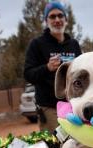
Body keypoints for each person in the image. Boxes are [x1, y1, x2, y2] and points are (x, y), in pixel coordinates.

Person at [24, 1, 82, 132]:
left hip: (72, 105)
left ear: (66, 20)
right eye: (52, 16)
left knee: (77, 143)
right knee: (56, 145)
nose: (57, 20)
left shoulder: (74, 45)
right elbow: (28, 74)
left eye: (60, 16)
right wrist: (47, 68)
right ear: (46, 20)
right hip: (49, 107)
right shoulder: (37, 44)